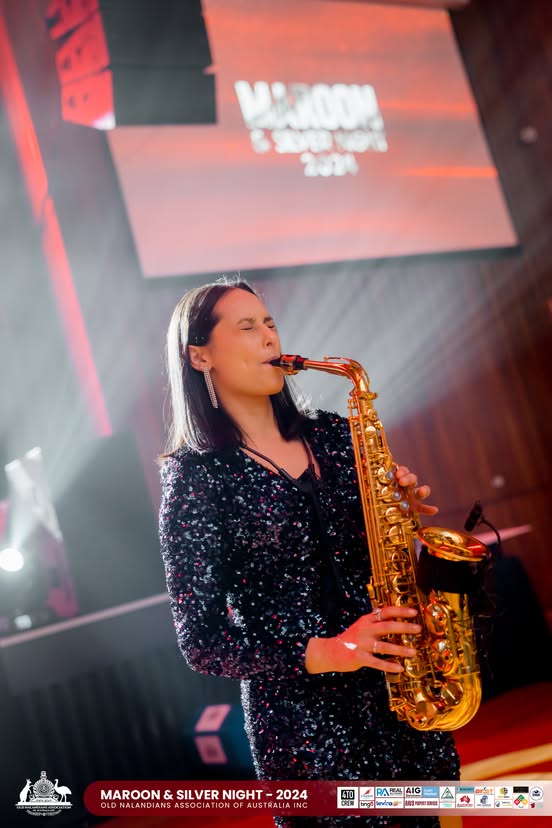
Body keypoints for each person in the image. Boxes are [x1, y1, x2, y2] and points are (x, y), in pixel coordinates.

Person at [159, 278, 460, 827]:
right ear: (200, 355)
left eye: (270, 323)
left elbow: (381, 551)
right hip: (307, 726)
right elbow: (202, 644)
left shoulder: (338, 437)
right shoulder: (196, 479)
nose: (270, 338)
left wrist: (401, 511)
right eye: (247, 327)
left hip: (400, 690)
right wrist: (325, 652)